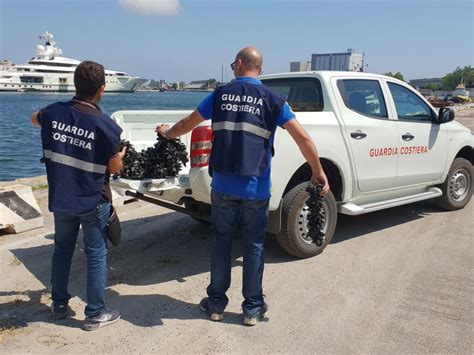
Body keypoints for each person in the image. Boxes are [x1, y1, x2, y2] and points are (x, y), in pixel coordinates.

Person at [156, 47, 329, 326]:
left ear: (239, 64)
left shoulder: (220, 95)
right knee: (254, 247)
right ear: (258, 69)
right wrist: (317, 171)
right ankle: (252, 309)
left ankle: (215, 305)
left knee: (222, 244)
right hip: (256, 189)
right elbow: (304, 139)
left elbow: (188, 123)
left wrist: (167, 133)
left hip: (223, 186)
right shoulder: (274, 100)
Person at [31, 61, 126, 331]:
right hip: (93, 198)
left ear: (75, 84)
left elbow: (35, 119)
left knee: (62, 248)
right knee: (96, 253)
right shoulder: (107, 126)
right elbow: (114, 167)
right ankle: (95, 312)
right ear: (101, 89)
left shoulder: (51, 112)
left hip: (62, 195)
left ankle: (59, 304)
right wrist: (121, 156)